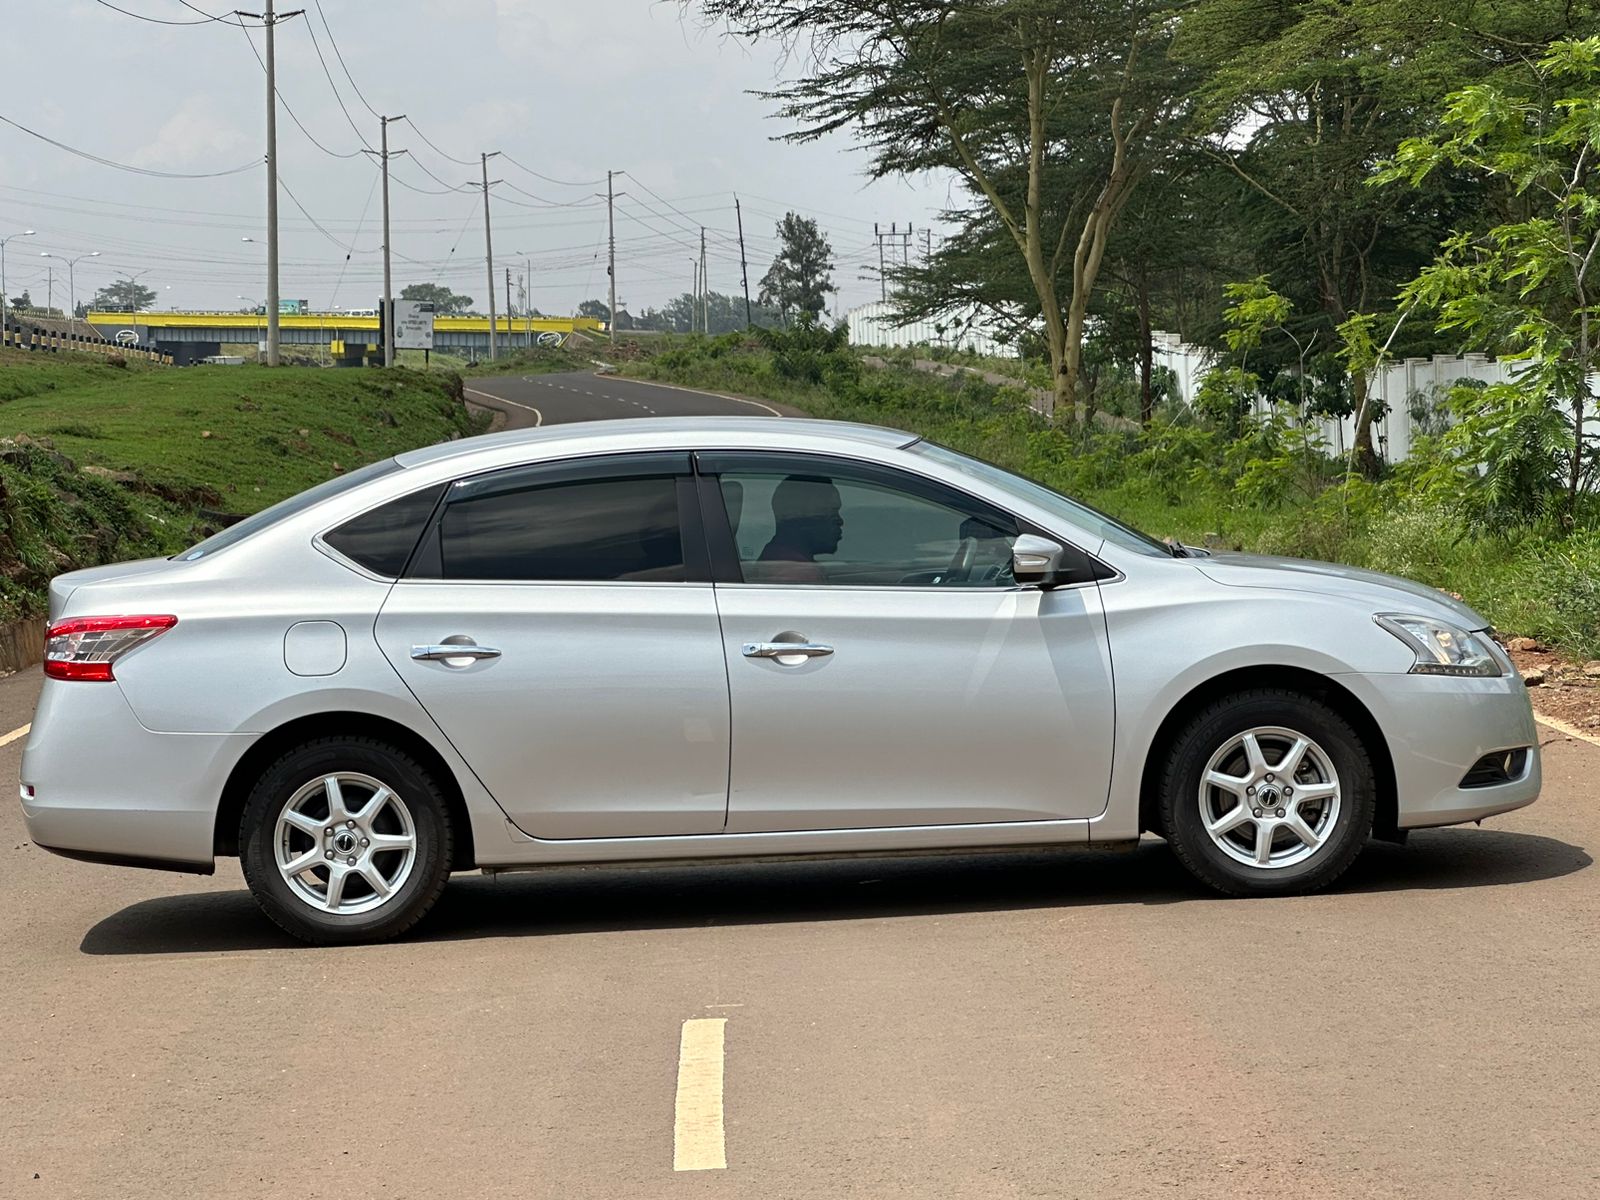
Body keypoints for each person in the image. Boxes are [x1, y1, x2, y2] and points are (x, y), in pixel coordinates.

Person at [756, 475, 843, 583]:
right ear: (801, 518)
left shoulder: (775, 557)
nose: (840, 521)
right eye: (832, 513)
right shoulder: (797, 575)